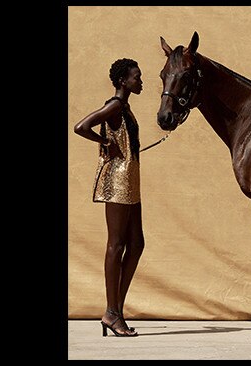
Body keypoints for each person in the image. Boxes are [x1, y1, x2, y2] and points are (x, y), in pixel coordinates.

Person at [73, 58, 145, 337]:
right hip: (117, 180)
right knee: (116, 245)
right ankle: (112, 312)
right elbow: (81, 127)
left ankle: (115, 309)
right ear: (122, 81)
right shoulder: (115, 105)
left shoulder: (124, 107)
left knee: (136, 243)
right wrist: (105, 143)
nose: (141, 81)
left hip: (131, 179)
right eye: (136, 77)